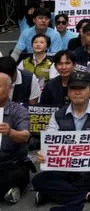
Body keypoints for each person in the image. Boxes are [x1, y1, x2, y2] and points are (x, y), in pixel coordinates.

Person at [32, 71, 90, 207]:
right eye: (73, 88)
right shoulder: (58, 115)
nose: (77, 92)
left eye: (82, 88)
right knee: (38, 180)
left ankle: (51, 194)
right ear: (68, 92)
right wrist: (44, 153)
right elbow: (49, 140)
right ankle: (88, 195)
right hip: (64, 168)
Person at [0, 72, 32, 204]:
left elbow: (25, 136)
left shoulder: (19, 111)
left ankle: (11, 188)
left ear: (9, 89)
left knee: (15, 176)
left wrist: (10, 132)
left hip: (11, 163)